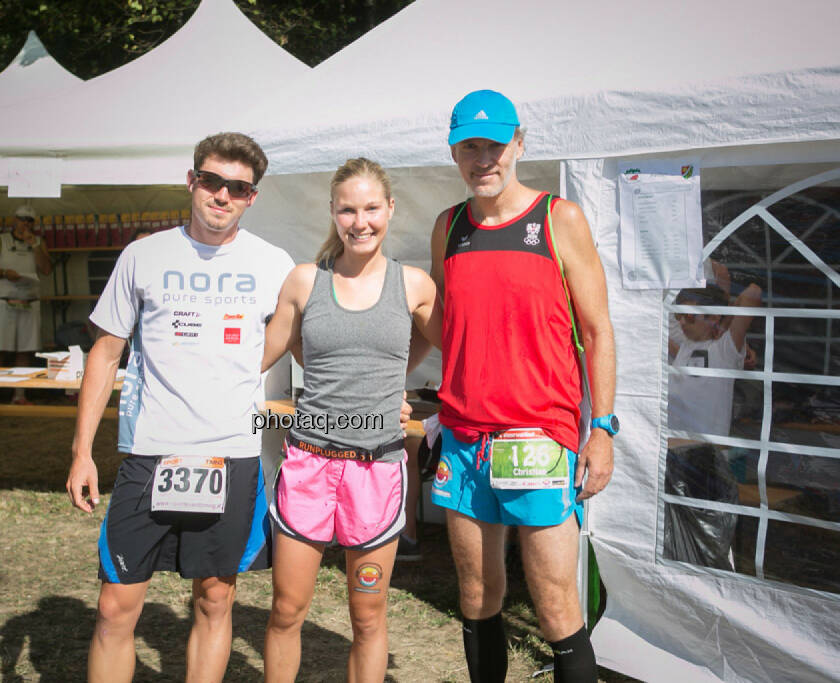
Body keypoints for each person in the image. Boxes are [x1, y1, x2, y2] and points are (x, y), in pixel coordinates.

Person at [65, 132, 295, 683]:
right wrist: (81, 453)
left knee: (215, 602)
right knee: (114, 607)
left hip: (231, 458)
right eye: (212, 181)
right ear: (191, 181)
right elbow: (106, 353)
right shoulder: (143, 255)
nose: (222, 195)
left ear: (251, 198)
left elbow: (298, 340)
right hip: (150, 455)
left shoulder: (274, 263)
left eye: (237, 188)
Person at [428, 90, 617, 682]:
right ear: (455, 152)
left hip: (539, 436)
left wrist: (603, 429)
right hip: (463, 440)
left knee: (556, 607)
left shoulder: (558, 219)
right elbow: (446, 326)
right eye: (470, 146)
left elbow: (597, 330)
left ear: (519, 144)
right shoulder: (448, 226)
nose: (483, 157)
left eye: (495, 144)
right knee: (478, 595)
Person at [261, 158, 441, 682]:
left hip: (377, 472)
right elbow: (264, 353)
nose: (359, 221)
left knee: (367, 616)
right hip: (308, 469)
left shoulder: (414, 285)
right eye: (347, 209)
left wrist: (394, 383)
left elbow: (447, 342)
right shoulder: (303, 280)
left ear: (390, 209)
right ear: (333, 213)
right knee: (287, 610)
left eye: (370, 208)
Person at [664, 282, 762, 569]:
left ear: (712, 316)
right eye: (679, 316)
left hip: (706, 459)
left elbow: (753, 292)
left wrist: (724, 317)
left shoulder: (726, 349)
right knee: (678, 542)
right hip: (675, 457)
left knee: (709, 543)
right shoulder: (683, 348)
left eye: (690, 317)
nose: (681, 323)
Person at [0, 204, 52, 404]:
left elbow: (46, 269)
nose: (25, 223)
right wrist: (4, 273)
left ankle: (19, 395)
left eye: (30, 220)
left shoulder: (38, 241)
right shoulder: (1, 240)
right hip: (5, 300)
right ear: (14, 219)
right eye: (22, 219)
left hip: (29, 301)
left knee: (25, 350)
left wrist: (34, 244)